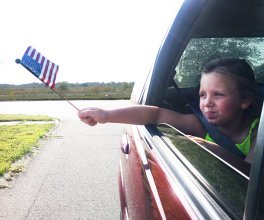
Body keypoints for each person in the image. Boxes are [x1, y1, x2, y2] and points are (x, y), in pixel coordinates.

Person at [78, 58, 262, 163]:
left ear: (244, 100)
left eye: (218, 95)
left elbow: (248, 177)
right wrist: (107, 115)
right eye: (202, 95)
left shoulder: (258, 134)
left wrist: (208, 149)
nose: (207, 103)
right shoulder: (200, 126)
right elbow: (155, 114)